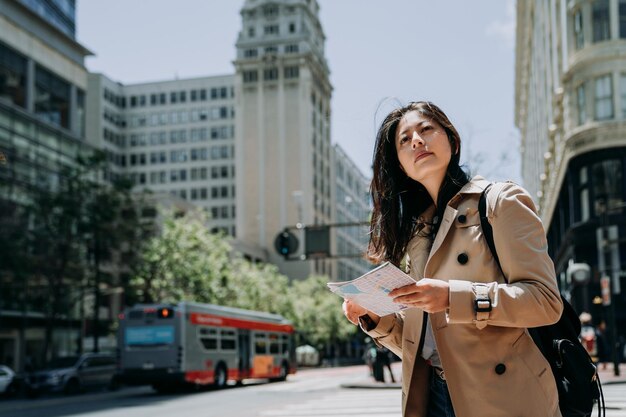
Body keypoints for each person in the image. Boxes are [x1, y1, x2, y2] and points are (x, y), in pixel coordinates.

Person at [342, 101, 563, 417]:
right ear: (401, 165)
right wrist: (374, 318)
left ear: (452, 140)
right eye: (404, 140)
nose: (417, 140)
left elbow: (545, 302)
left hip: (503, 398)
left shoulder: (500, 201)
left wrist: (451, 297)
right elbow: (425, 343)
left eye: (426, 129)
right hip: (433, 396)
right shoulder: (418, 236)